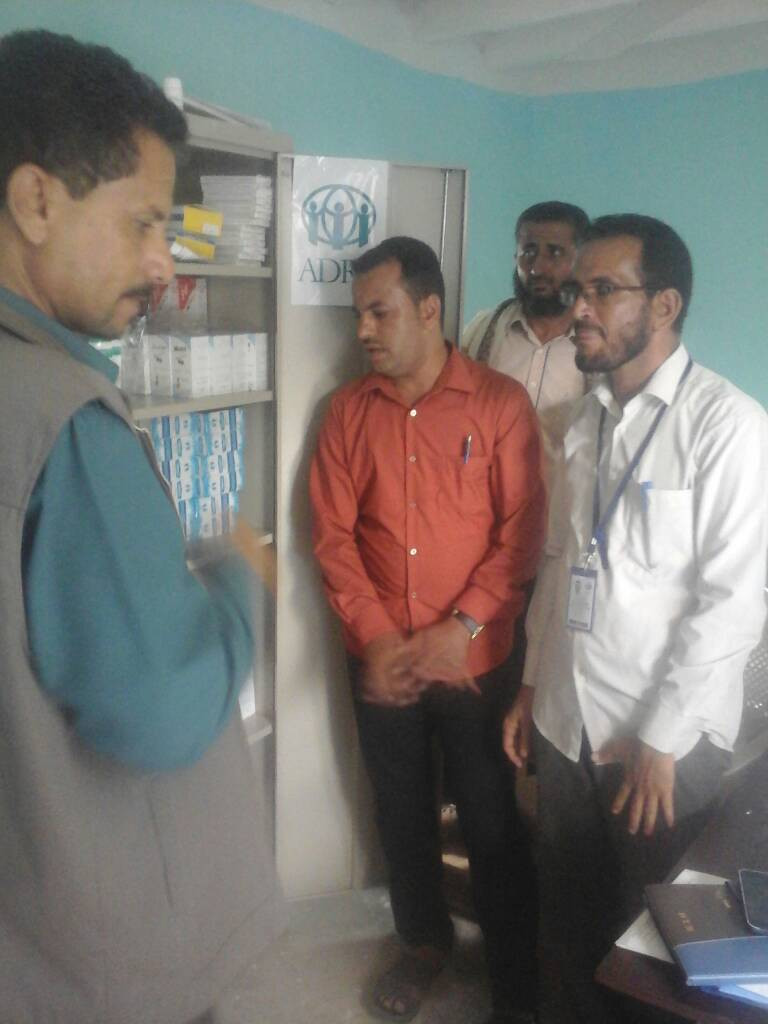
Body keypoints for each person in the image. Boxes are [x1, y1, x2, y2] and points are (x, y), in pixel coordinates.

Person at [0, 30, 282, 1024]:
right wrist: (240, 584)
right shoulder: (64, 419)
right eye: (143, 222)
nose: (163, 263)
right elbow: (160, 704)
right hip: (101, 963)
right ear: (36, 201)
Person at [502, 214, 768, 1024]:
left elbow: (732, 603)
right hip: (568, 722)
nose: (576, 306)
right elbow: (560, 565)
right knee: (566, 921)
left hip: (659, 745)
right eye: (576, 289)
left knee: (650, 950)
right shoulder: (584, 420)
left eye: (601, 290)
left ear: (664, 306)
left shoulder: (728, 426)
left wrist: (661, 739)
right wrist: (531, 686)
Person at [310, 236, 546, 1024]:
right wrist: (379, 637)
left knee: (489, 816)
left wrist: (464, 625)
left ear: (429, 310)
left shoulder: (499, 404)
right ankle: (423, 942)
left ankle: (513, 973)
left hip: (476, 662)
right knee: (402, 812)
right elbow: (333, 539)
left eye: (379, 313)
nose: (363, 331)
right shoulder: (347, 413)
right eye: (358, 315)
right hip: (382, 662)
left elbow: (521, 534)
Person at [462, 201, 589, 486]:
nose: (537, 268)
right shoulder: (483, 330)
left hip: (563, 507)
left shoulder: (597, 345)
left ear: (582, 260)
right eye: (528, 252)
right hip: (487, 504)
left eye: (554, 253)